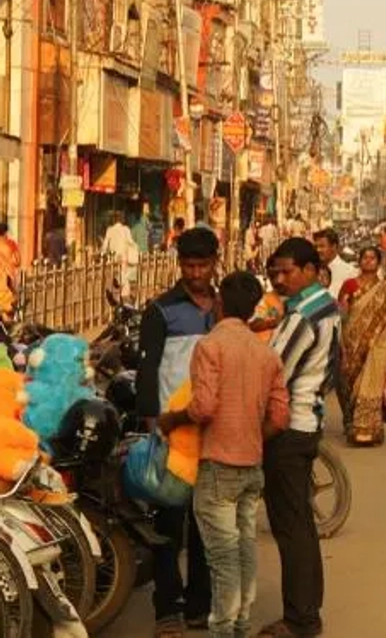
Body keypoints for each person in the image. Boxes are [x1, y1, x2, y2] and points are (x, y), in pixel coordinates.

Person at [158, 271, 289, 638]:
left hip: (218, 464)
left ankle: (224, 628)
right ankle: (241, 621)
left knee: (222, 557)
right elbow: (279, 416)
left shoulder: (211, 346)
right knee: (244, 547)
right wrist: (249, 433)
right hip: (252, 462)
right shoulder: (266, 352)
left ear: (220, 304)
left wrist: (172, 419)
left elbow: (203, 408)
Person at [138, 227, 219, 636]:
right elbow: (147, 373)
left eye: (202, 265)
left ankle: (199, 606)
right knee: (168, 526)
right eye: (188, 265)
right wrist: (153, 427)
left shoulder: (224, 309)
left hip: (214, 433)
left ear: (214, 264)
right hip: (173, 436)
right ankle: (166, 608)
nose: (195, 272)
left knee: (206, 526)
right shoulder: (161, 310)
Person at [260, 237, 341, 638]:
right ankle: (307, 612)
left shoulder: (303, 317)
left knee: (291, 528)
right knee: (301, 526)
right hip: (307, 422)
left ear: (310, 270)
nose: (280, 278)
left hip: (289, 428)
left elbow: (274, 375)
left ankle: (301, 618)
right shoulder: (323, 304)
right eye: (276, 271)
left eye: (287, 271)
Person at [337, 247, 386, 446]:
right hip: (352, 342)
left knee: (371, 386)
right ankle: (355, 425)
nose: (368, 261)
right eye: (365, 258)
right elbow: (343, 314)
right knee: (353, 389)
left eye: (372, 258)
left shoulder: (385, 288)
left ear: (378, 263)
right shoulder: (349, 285)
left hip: (378, 345)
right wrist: (343, 342)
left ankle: (367, 431)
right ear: (359, 261)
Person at [313, 228, 356, 301]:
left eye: (322, 246)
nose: (318, 250)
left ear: (334, 246)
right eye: (316, 247)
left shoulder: (349, 272)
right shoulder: (312, 270)